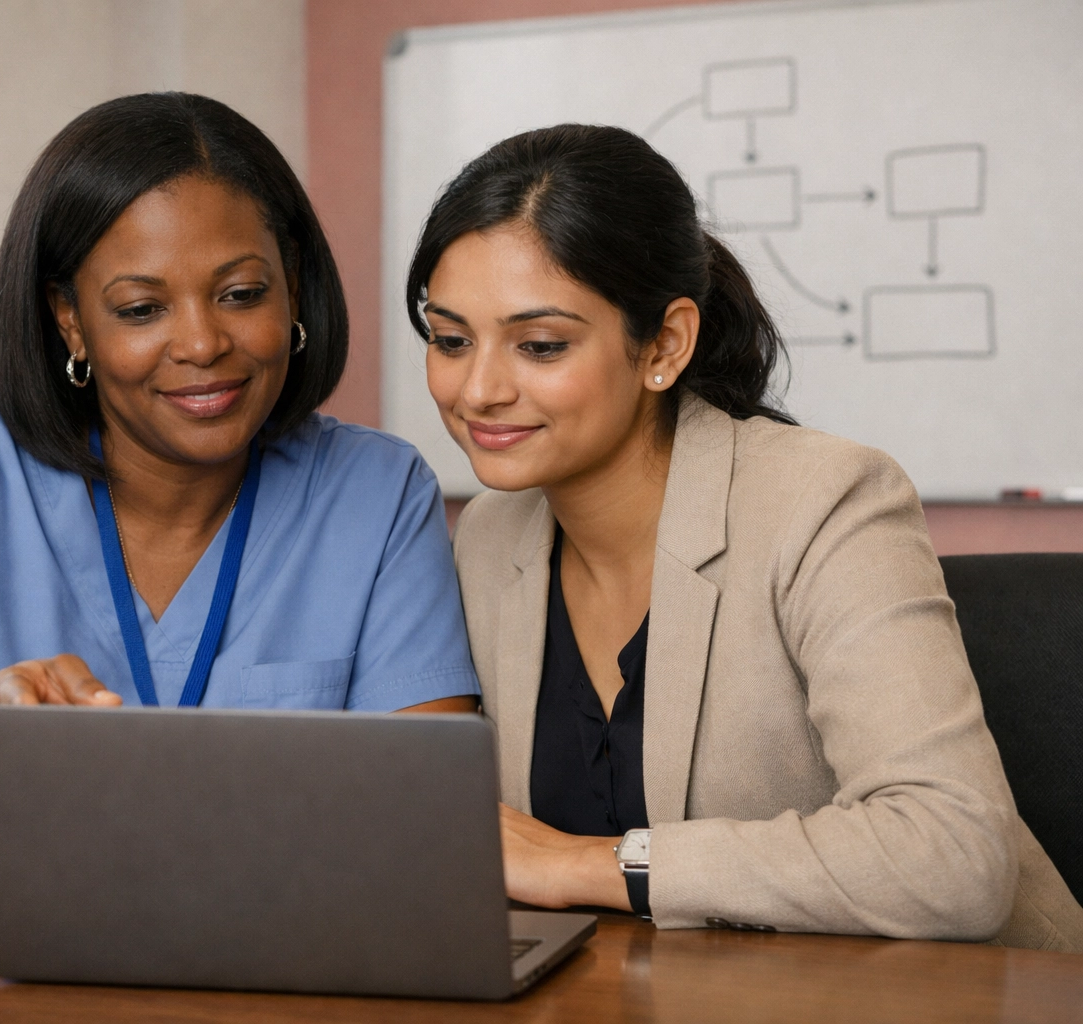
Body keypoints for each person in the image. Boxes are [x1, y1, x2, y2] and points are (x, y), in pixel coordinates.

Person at [0, 93, 479, 873]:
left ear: (292, 289)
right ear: (71, 321)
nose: (202, 342)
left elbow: (421, 823)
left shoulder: (377, 493)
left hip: (215, 950)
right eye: (142, 308)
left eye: (242, 294)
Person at [411, 123, 1083, 950]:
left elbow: (951, 854)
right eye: (449, 340)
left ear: (664, 344)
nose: (476, 389)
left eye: (541, 345)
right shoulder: (488, 539)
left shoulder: (824, 502)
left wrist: (595, 865)